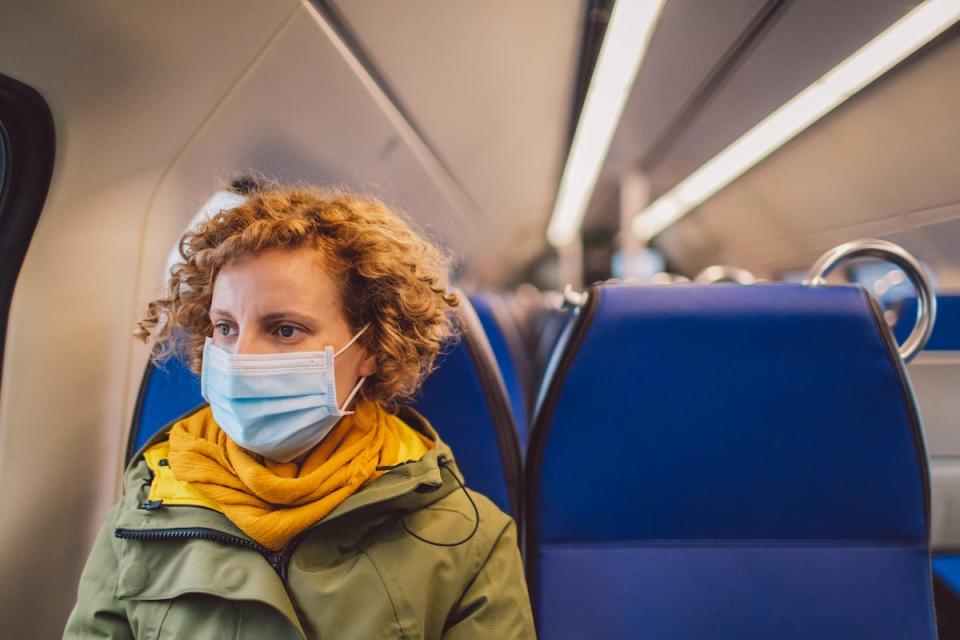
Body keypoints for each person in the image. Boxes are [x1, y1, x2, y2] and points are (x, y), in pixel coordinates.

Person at [63, 183, 536, 639]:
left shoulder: (467, 541)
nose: (240, 357)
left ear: (370, 345)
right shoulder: (140, 518)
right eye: (225, 328)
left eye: (285, 330)